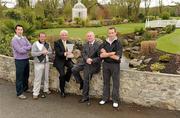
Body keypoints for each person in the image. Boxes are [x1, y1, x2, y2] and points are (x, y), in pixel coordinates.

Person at [72, 31, 101, 103]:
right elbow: (83, 53)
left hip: (94, 65)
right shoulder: (85, 44)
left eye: (90, 36)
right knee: (74, 69)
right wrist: (86, 59)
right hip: (85, 62)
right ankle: (80, 82)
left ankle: (85, 97)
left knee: (86, 78)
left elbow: (100, 57)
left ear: (94, 37)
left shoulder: (99, 45)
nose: (89, 37)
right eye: (88, 36)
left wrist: (92, 60)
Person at [99, 27, 123, 108]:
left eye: (112, 33)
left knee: (115, 83)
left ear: (115, 33)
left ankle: (115, 100)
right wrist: (111, 53)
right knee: (106, 83)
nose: (111, 34)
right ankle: (105, 98)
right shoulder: (104, 42)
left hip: (115, 65)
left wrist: (107, 54)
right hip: (105, 64)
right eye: (109, 33)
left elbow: (117, 57)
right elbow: (101, 55)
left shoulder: (118, 43)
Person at [11, 25, 32, 99]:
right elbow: (20, 51)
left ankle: (25, 88)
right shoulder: (14, 40)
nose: (20, 31)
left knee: (26, 75)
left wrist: (23, 48)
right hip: (19, 60)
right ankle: (19, 93)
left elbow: (30, 46)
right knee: (19, 77)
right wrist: (25, 48)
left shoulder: (24, 38)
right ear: (16, 30)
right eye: (18, 29)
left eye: (21, 29)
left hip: (26, 59)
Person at [31, 32, 52, 99]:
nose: (43, 38)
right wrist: (41, 52)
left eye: (44, 37)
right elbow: (33, 54)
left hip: (46, 63)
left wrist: (47, 52)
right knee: (38, 78)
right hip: (38, 63)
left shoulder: (47, 44)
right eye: (41, 37)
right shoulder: (35, 44)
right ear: (39, 37)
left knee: (46, 78)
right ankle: (35, 93)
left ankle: (46, 89)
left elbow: (51, 52)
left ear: (45, 37)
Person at [53, 30, 74, 97]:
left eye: (65, 35)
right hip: (59, 61)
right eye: (63, 35)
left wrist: (71, 54)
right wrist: (65, 53)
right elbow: (58, 53)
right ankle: (62, 91)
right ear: (60, 35)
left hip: (67, 60)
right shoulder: (57, 42)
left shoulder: (69, 42)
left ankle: (66, 79)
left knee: (72, 67)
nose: (64, 36)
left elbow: (70, 52)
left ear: (67, 36)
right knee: (62, 74)